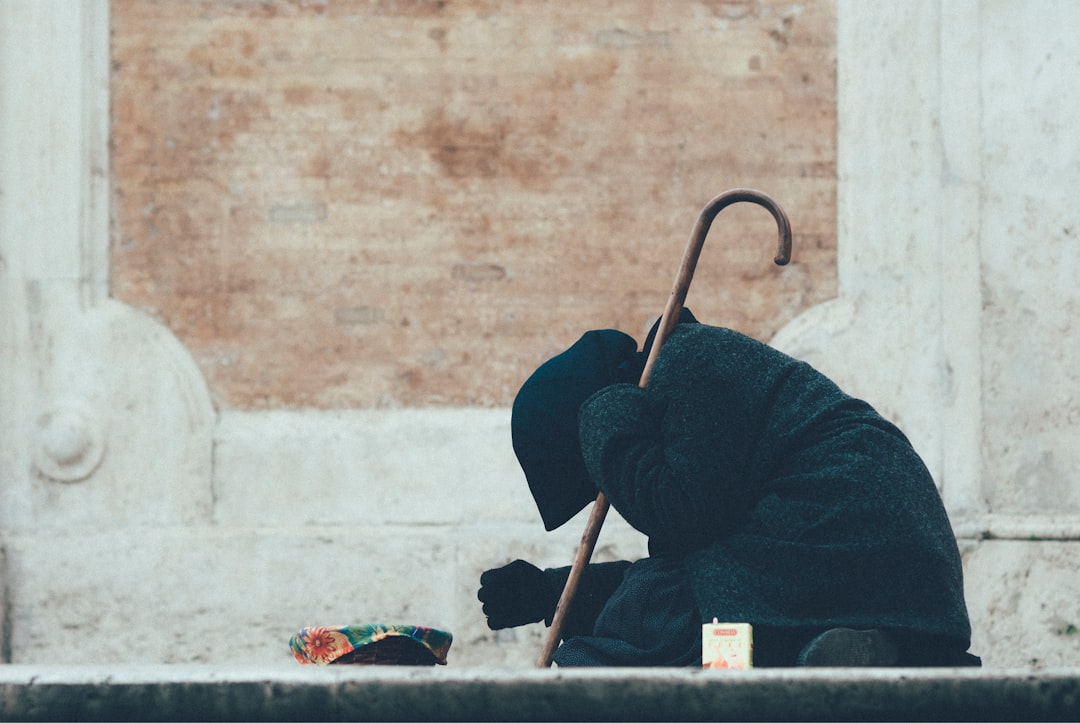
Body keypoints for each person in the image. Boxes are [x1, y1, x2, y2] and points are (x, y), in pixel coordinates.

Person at [477, 311, 979, 667]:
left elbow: (677, 516)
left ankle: (816, 642)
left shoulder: (690, 360)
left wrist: (601, 416)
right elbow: (696, 563)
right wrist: (552, 592)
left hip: (847, 543)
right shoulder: (697, 376)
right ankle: (812, 645)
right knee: (670, 610)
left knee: (640, 626)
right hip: (850, 567)